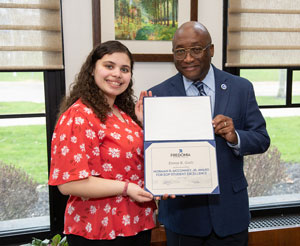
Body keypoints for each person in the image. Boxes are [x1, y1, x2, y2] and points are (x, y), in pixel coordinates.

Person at [149, 21, 270, 246]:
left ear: (211, 50)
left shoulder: (240, 88)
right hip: (182, 218)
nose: (187, 58)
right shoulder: (158, 94)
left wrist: (235, 137)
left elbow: (262, 139)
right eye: (180, 51)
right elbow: (154, 154)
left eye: (196, 49)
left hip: (230, 213)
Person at [48, 40, 156, 246]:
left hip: (136, 222)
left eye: (124, 69)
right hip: (98, 228)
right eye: (109, 66)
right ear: (91, 69)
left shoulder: (124, 114)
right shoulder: (78, 116)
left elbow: (134, 162)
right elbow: (69, 183)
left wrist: (143, 125)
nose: (117, 74)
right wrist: (127, 188)